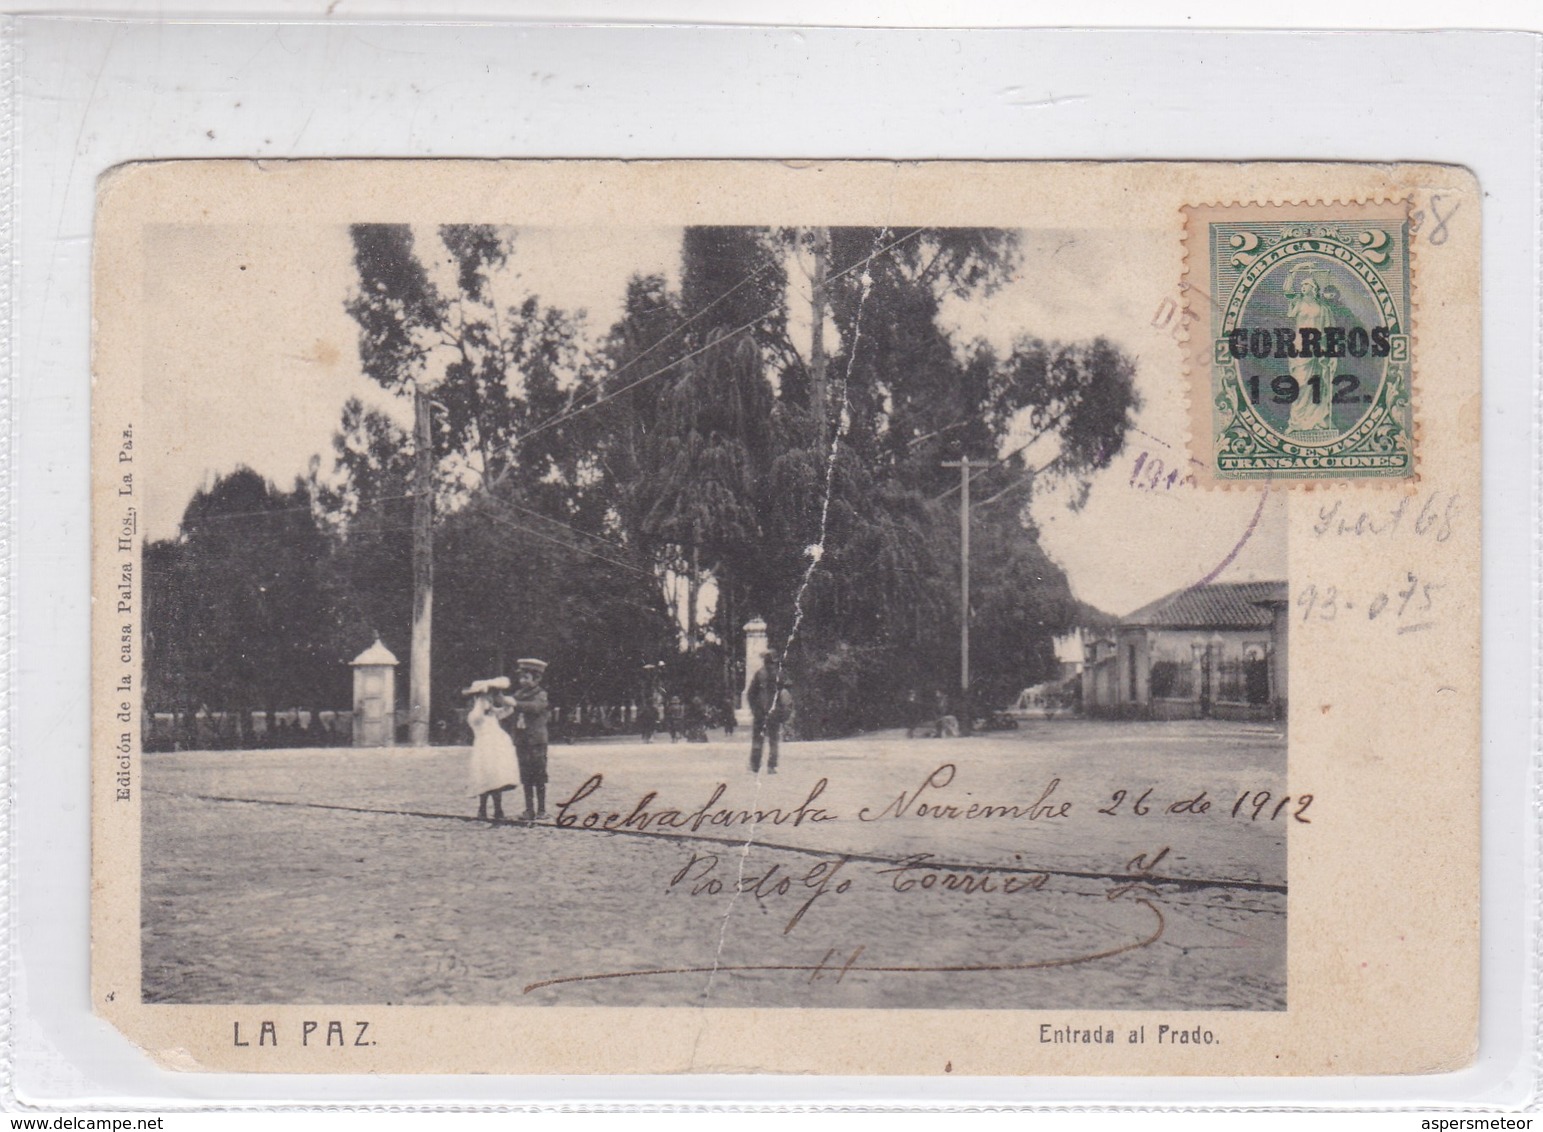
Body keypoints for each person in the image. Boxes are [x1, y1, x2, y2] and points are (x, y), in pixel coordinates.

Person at [464, 677, 519, 822]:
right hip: (484, 749)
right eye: (485, 699)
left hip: (496, 749)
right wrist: (481, 700)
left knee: (497, 778)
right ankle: (482, 808)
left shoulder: (493, 715)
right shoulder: (474, 716)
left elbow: (510, 709)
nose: (488, 701)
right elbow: (477, 715)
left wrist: (500, 698)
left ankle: (498, 809)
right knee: (485, 777)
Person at [510, 658, 551, 821]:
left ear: (537, 679)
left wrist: (514, 703)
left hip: (537, 741)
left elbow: (535, 708)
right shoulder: (518, 694)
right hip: (522, 740)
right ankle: (529, 809)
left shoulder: (541, 694)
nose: (522, 681)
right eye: (521, 678)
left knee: (539, 775)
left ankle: (541, 809)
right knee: (526, 775)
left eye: (526, 677)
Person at [748, 651, 793, 775]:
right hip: (774, 712)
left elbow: (751, 694)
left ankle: (755, 765)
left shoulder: (759, 674)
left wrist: (754, 709)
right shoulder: (780, 675)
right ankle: (771, 766)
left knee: (758, 739)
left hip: (760, 713)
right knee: (773, 739)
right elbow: (785, 693)